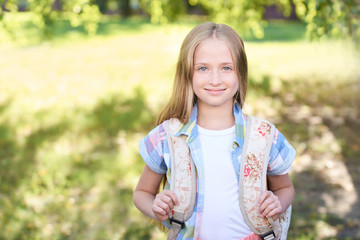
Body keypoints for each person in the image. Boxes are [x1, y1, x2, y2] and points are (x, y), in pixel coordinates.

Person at [133, 22, 296, 240]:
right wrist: (155, 206)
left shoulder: (263, 136)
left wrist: (277, 203)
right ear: (187, 74)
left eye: (226, 68)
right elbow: (142, 193)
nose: (215, 79)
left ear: (241, 73)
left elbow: (285, 188)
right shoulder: (168, 136)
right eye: (203, 68)